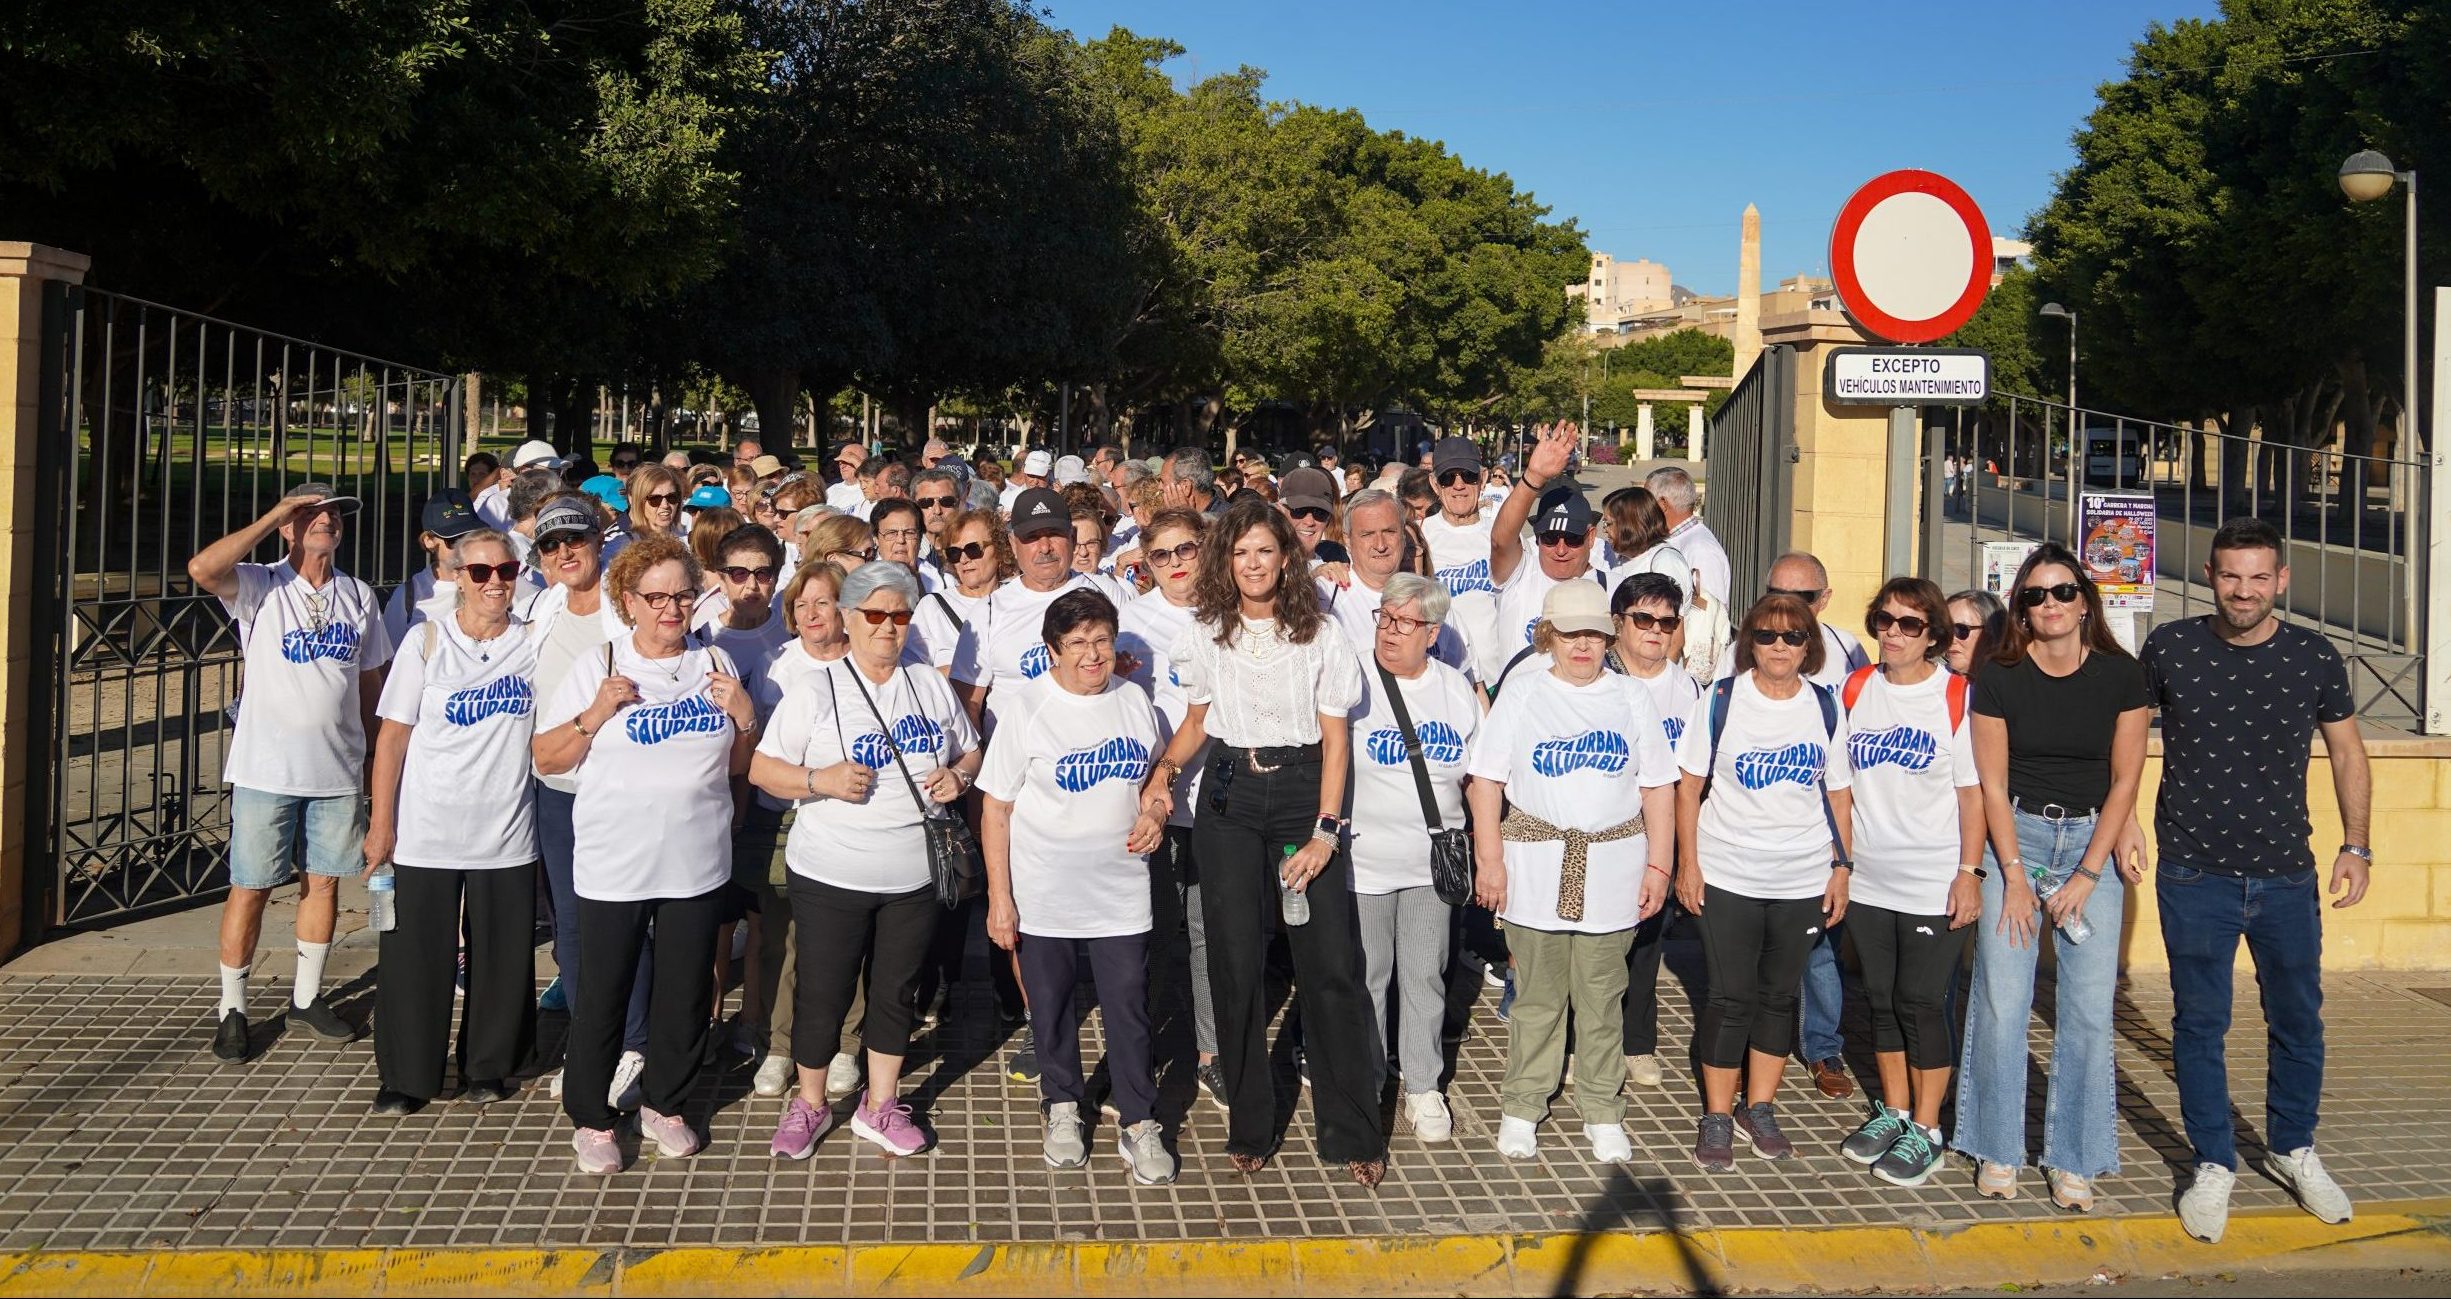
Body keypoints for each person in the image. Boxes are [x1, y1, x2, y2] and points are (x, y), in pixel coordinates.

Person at [1137, 497, 1387, 1185]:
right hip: (1228, 798)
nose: (1252, 564)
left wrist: (1326, 832)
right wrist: (1162, 775)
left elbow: (1336, 741)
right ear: (1226, 559)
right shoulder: (1206, 632)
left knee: (1329, 966)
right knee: (1234, 964)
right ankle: (1251, 1123)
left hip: (1304, 795)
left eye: (1265, 551)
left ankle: (1352, 1130)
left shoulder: (1320, 634)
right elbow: (1196, 721)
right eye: (1241, 551)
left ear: (1285, 559)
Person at [2151, 519, 2368, 1241]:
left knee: (2298, 1020)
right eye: (2230, 575)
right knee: (2199, 1023)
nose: (2243, 591)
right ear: (2209, 576)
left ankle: (2292, 1147)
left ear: (2281, 581)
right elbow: (2120, 733)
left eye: (2258, 577)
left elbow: (2346, 752)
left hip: (2285, 876)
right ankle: (2213, 1162)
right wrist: (2120, 824)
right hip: (2193, 873)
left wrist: (2356, 845)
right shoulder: (2170, 648)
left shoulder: (2313, 655)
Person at [533, 533, 760, 1174]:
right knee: (604, 995)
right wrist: (595, 714)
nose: (670, 609)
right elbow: (546, 758)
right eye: (655, 597)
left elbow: (737, 766)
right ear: (628, 601)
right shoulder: (600, 663)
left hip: (696, 862)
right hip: (616, 864)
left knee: (685, 993)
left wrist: (746, 716)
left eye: (682, 596)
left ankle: (666, 1103)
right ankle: (592, 1117)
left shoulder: (715, 661)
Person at [748, 562, 981, 1160]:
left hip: (914, 876)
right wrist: (818, 780)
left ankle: (880, 1106)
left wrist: (958, 777)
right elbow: (762, 769)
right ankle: (810, 1103)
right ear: (848, 618)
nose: (887, 626)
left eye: (899, 615)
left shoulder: (928, 684)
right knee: (823, 992)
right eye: (874, 614)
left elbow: (971, 750)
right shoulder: (816, 688)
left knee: (895, 992)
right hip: (831, 873)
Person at [1956, 542, 2149, 1211]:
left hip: (2090, 844)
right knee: (2002, 1002)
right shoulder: (2000, 677)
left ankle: (2074, 1158)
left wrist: (2089, 873)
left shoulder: (2121, 676)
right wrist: (2011, 875)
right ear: (2021, 609)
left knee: (2088, 1012)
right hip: (2018, 837)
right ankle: (1996, 1147)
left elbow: (2125, 779)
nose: (2050, 605)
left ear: (2084, 601)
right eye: (2035, 595)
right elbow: (1990, 782)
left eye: (2063, 591)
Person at [1468, 580, 1676, 1164]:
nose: (1582, 645)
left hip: (1613, 868)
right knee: (1536, 997)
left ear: (1609, 637)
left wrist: (1659, 866)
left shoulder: (1631, 698)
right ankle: (1522, 1105)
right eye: (1569, 634)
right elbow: (1486, 782)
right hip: (1535, 866)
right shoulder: (1523, 692)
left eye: (1593, 634)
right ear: (1548, 636)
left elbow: (1658, 787)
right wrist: (1490, 860)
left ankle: (1602, 1108)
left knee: (1603, 998)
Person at [188, 484, 392, 1060]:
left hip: (336, 770)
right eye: (310, 515)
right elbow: (202, 569)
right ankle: (233, 1008)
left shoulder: (358, 595)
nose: (326, 521)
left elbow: (371, 680)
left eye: (333, 515)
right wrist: (277, 512)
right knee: (251, 886)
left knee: (323, 882)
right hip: (267, 769)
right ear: (287, 527)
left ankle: (307, 997)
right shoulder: (261, 585)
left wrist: (374, 760)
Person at [980, 589, 1175, 1182]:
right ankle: (1063, 1105)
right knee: (1052, 1006)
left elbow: (1153, 777)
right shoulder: (1028, 708)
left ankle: (1139, 1119)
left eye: (1102, 641)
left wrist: (1155, 811)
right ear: (1052, 650)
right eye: (1078, 643)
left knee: (1129, 1009)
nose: (1093, 655)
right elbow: (996, 808)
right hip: (1044, 890)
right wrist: (1000, 898)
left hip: (1121, 889)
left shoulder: (1134, 699)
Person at [1674, 594, 1856, 1172]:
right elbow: (1688, 788)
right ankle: (1717, 1115)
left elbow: (1839, 793)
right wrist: (1688, 865)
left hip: (1802, 876)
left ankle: (1760, 1107)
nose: (1780, 646)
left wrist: (1842, 867)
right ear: (1749, 642)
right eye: (1767, 635)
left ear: (1810, 646)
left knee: (1779, 997)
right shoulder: (1721, 699)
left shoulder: (1824, 706)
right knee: (1730, 997)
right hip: (1728, 872)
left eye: (1794, 636)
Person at [363, 529, 540, 1114]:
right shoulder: (427, 639)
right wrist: (381, 824)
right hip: (427, 827)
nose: (495, 583)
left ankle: (488, 1065)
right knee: (415, 957)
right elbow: (392, 738)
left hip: (506, 828)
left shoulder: (533, 641)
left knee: (500, 957)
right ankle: (408, 1075)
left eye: (506, 570)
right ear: (459, 577)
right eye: (481, 572)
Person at [1831, 577, 1982, 1188]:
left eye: (1910, 624)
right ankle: (1894, 1111)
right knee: (1881, 999)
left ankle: (1928, 1128)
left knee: (1921, 1001)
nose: (1893, 633)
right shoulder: (1857, 688)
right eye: (1885, 620)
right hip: (1869, 878)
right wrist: (1841, 863)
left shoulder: (1956, 696)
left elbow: (1973, 795)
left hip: (1934, 878)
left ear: (1933, 635)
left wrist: (1969, 873)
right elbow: (1840, 785)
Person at [1707, 550, 1871, 1100]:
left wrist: (1843, 861)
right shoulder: (1736, 662)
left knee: (1817, 959)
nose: (1782, 635)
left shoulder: (1846, 654)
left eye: (1800, 602)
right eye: (1775, 596)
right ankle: (1731, 1076)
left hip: (1809, 845)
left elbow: (1842, 770)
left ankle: (1820, 1049)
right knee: (1740, 976)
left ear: (1822, 603)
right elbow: (1708, 748)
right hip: (1740, 851)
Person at [1349, 573, 1482, 1144]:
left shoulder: (1455, 690)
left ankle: (1424, 1084)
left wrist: (1489, 853)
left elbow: (1479, 779)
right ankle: (1369, 1079)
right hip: (1363, 860)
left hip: (1432, 862)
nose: (1390, 631)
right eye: (1385, 617)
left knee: (1426, 974)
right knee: (1368, 977)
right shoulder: (1353, 678)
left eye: (1405, 623)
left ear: (1432, 633)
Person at [1114, 509, 1227, 1106]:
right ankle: (1141, 1050)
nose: (1177, 563)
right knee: (1152, 932)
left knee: (1211, 932)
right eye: (1162, 555)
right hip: (1150, 799)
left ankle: (1211, 1052)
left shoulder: (1232, 609)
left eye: (1187, 549)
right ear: (1147, 564)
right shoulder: (1131, 623)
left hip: (1220, 796)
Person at [1605, 572, 1702, 1089]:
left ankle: (1636, 1043)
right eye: (1643, 619)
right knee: (1595, 946)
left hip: (1660, 835)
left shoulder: (1689, 688)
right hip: (1607, 830)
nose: (1655, 631)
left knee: (1647, 944)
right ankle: (1578, 1043)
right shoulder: (1599, 677)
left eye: (1667, 622)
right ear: (1618, 622)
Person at [1486, 426, 1606, 684]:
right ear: (1537, 537)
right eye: (1550, 538)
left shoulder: (1611, 588)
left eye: (1572, 538)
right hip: (1520, 707)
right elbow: (1500, 541)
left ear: (1591, 537)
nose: (1560, 550)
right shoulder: (1519, 575)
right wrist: (1533, 476)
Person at [1318, 489, 1473, 675]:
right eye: (1367, 534)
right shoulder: (1324, 596)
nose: (1380, 545)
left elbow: (1465, 681)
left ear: (1402, 535)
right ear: (1348, 540)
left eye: (1389, 532)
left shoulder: (1431, 601)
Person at [912, 508, 1011, 673]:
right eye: (954, 553)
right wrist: (954, 674)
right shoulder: (932, 607)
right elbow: (913, 671)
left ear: (1000, 548)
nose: (964, 559)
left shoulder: (1018, 598)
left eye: (973, 549)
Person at [383, 491, 480, 648]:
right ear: (428, 541)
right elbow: (389, 656)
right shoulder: (410, 595)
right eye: (454, 540)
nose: (464, 546)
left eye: (471, 537)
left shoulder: (493, 582)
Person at [1419, 436, 1497, 596]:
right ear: (1434, 484)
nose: (1459, 485)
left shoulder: (1501, 535)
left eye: (1468, 475)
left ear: (1483, 479)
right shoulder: (1417, 535)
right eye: (1447, 478)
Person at [1644, 466, 1730, 610]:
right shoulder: (1681, 541)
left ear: (1663, 504)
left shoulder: (1701, 550)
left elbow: (1707, 612)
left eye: (1646, 501)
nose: (1643, 508)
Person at [1599, 486, 1691, 608]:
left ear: (1629, 524)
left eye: (1608, 523)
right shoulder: (1625, 558)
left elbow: (1671, 614)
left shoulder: (1666, 561)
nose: (1604, 529)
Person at [1946, 589, 2007, 676]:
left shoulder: (2013, 681)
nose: (1950, 639)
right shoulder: (1933, 681)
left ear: (1992, 632)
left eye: (1961, 630)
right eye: (1946, 629)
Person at [626, 465, 686, 541]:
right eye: (655, 499)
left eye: (671, 497)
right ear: (635, 500)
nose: (665, 505)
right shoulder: (620, 542)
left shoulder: (686, 540)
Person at [1159, 447, 1222, 517]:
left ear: (1185, 486)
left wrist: (1183, 519)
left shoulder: (1226, 520)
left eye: (1163, 482)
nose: (1159, 487)